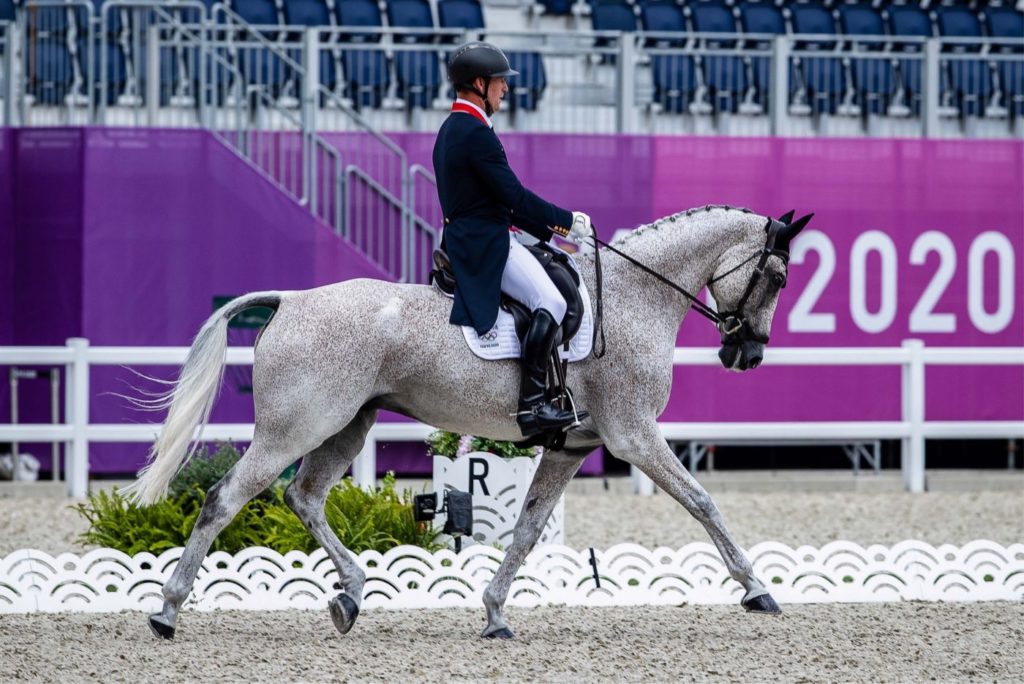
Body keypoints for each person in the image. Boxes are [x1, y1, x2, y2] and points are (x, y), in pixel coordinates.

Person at [432, 41, 593, 438]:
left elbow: (507, 204)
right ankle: (533, 406)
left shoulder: (456, 127)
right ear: (479, 83)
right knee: (552, 301)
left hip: (477, 232)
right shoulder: (474, 133)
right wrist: (566, 222)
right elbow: (515, 197)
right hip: (485, 242)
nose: (505, 89)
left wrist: (555, 233)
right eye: (500, 81)